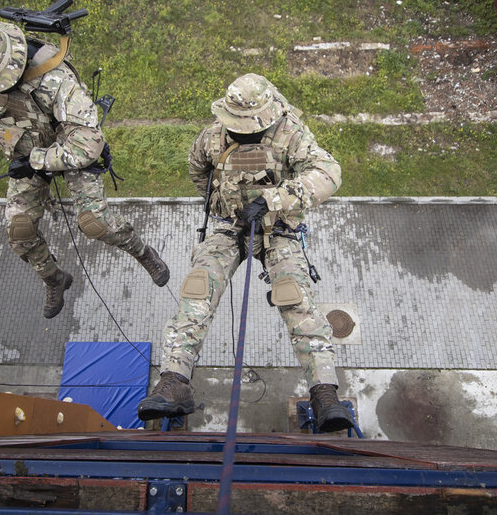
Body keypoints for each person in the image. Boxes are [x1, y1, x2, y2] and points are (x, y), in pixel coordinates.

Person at [137, 73, 354, 432]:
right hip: (228, 227)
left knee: (296, 299)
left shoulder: (290, 134)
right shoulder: (212, 137)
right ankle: (174, 381)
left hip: (278, 229)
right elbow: (198, 168)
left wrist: (273, 200)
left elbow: (328, 173)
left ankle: (324, 393)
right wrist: (219, 204)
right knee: (196, 292)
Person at [0, 22, 169, 318]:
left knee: (95, 224)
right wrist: (27, 158)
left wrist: (38, 160)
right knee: (19, 231)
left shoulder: (56, 82)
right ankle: (54, 278)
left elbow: (87, 147)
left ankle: (143, 253)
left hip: (69, 149)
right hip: (29, 150)